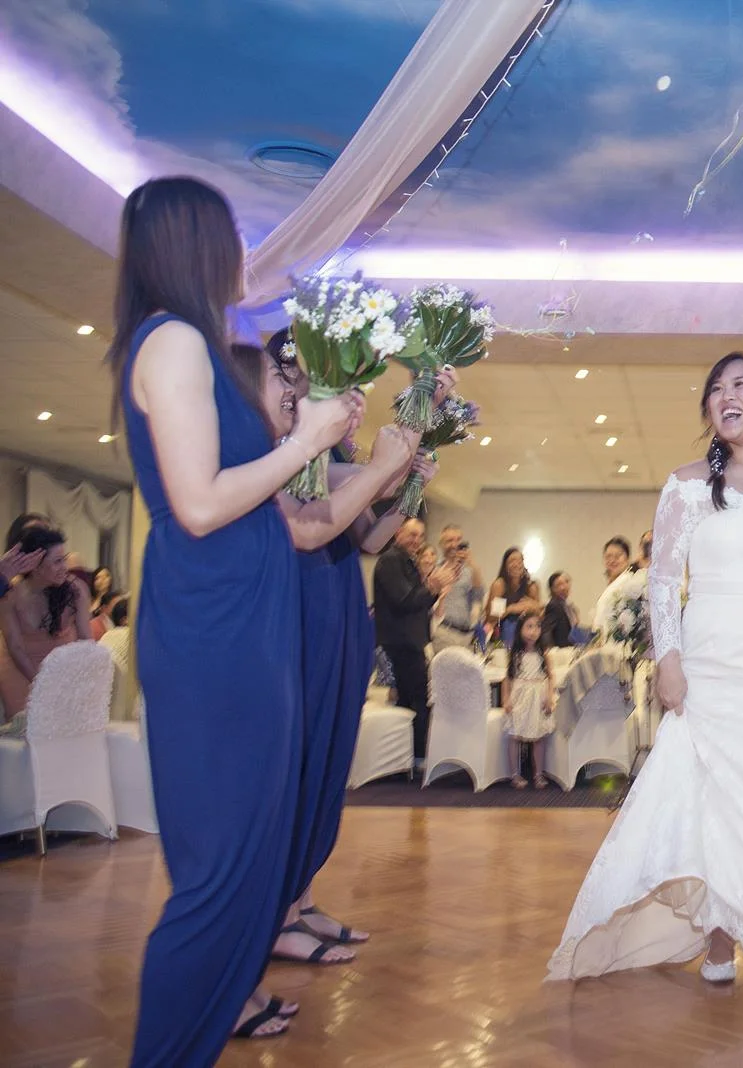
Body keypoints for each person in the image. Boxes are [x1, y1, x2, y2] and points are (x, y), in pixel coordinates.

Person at [109, 176, 360, 1060]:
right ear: (194, 245)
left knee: (249, 864)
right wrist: (307, 441)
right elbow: (200, 503)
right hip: (214, 628)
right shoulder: (173, 341)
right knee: (219, 876)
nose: (245, 251)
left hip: (242, 622)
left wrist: (346, 450)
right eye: (231, 234)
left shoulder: (198, 346)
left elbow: (287, 517)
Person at [548, 352, 743, 1000]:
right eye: (716, 388)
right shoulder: (687, 484)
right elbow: (663, 582)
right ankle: (720, 941)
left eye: (741, 385)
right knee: (714, 804)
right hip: (709, 666)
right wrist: (668, 660)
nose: (726, 396)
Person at [231, 336, 439, 970]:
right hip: (304, 597)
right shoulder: (281, 447)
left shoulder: (324, 447)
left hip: (341, 596)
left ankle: (299, 898)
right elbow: (309, 525)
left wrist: (414, 454)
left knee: (326, 754)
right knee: (299, 756)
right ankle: (277, 914)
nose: (353, 397)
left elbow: (370, 536)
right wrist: (406, 431)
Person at [0, 525, 92, 726]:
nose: (65, 567)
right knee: (26, 727)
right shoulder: (9, 594)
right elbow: (15, 646)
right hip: (19, 667)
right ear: (35, 566)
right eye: (57, 561)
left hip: (61, 667)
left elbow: (86, 640)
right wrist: (41, 683)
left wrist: (81, 679)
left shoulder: (75, 589)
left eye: (64, 559)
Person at [375, 518, 451, 764]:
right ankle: (417, 756)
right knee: (416, 700)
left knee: (411, 700)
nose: (416, 540)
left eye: (420, 536)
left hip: (410, 641)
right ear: (398, 533)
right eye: (412, 535)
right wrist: (432, 586)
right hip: (400, 642)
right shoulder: (391, 561)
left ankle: (405, 756)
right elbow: (404, 601)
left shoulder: (406, 561)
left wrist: (435, 590)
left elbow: (420, 603)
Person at [505, 614, 555, 788]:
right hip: (520, 697)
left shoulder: (543, 654)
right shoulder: (515, 654)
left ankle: (538, 774)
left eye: (537, 626)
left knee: (538, 737)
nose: (533, 631)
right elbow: (508, 678)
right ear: (520, 629)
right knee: (515, 735)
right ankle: (514, 775)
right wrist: (506, 699)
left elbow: (551, 677)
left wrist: (550, 697)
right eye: (529, 626)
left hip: (538, 697)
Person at [432, 526, 483, 652]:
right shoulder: (435, 568)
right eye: (449, 540)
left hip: (466, 634)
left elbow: (478, 594)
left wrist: (472, 564)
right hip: (444, 631)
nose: (454, 544)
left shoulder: (468, 570)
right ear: (441, 544)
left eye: (458, 539)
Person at [487, 548, 541, 648]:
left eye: (520, 561)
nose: (516, 564)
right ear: (505, 565)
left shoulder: (531, 586)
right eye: (512, 561)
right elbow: (492, 618)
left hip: (527, 631)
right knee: (510, 624)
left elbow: (539, 613)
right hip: (502, 631)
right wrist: (511, 609)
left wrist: (532, 606)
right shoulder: (500, 585)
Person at [541, 570, 579, 649]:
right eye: (559, 584)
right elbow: (546, 631)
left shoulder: (567, 605)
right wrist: (549, 650)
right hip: (561, 650)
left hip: (570, 648)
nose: (564, 586)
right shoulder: (553, 605)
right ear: (553, 589)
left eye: (566, 582)